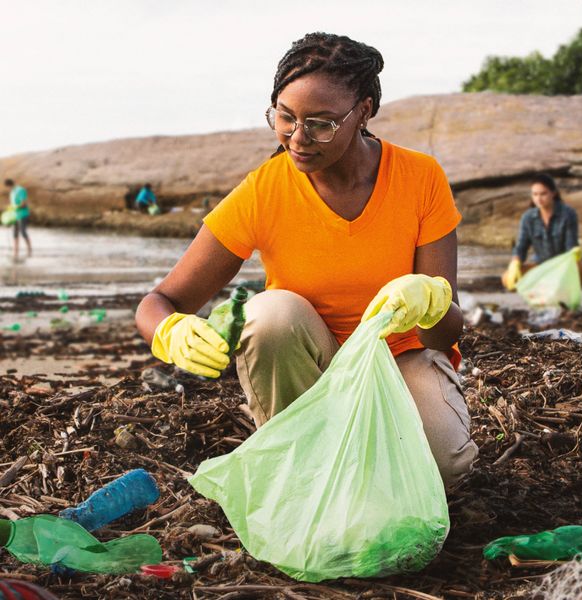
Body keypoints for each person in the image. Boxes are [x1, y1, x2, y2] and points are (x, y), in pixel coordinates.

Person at [136, 32, 478, 487]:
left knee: (443, 467)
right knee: (269, 313)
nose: (298, 138)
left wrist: (431, 300)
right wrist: (169, 331)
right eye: (284, 117)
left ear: (364, 111)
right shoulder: (265, 190)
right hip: (309, 372)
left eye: (321, 124)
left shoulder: (420, 178)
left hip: (402, 358)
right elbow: (161, 299)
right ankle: (300, 458)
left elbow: (446, 334)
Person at [502, 173, 582, 290]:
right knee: (507, 278)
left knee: (580, 267)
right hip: (541, 266)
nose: (539, 198)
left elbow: (571, 247)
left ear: (553, 193)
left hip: (564, 265)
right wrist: (515, 261)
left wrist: (571, 259)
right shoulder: (527, 218)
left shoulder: (568, 214)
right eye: (535, 194)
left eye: (543, 194)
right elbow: (521, 247)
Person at [4, 179, 32, 260]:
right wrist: (10, 209)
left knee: (23, 232)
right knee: (15, 233)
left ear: (10, 185)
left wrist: (16, 207)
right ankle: (15, 251)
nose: (8, 189)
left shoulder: (20, 190)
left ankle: (29, 250)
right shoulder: (11, 192)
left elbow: (24, 203)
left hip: (23, 214)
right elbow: (13, 204)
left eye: (8, 187)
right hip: (15, 215)